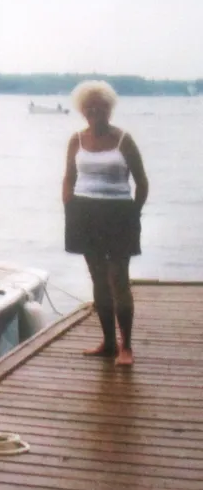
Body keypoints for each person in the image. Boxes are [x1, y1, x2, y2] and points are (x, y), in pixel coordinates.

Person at [62, 80, 149, 367]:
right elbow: (69, 177)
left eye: (100, 107)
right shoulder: (76, 139)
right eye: (89, 107)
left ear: (109, 109)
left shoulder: (124, 140)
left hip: (118, 214)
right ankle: (108, 343)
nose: (94, 111)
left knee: (118, 279)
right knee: (98, 279)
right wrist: (69, 206)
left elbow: (142, 182)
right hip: (84, 213)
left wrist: (133, 213)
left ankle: (127, 347)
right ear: (82, 110)